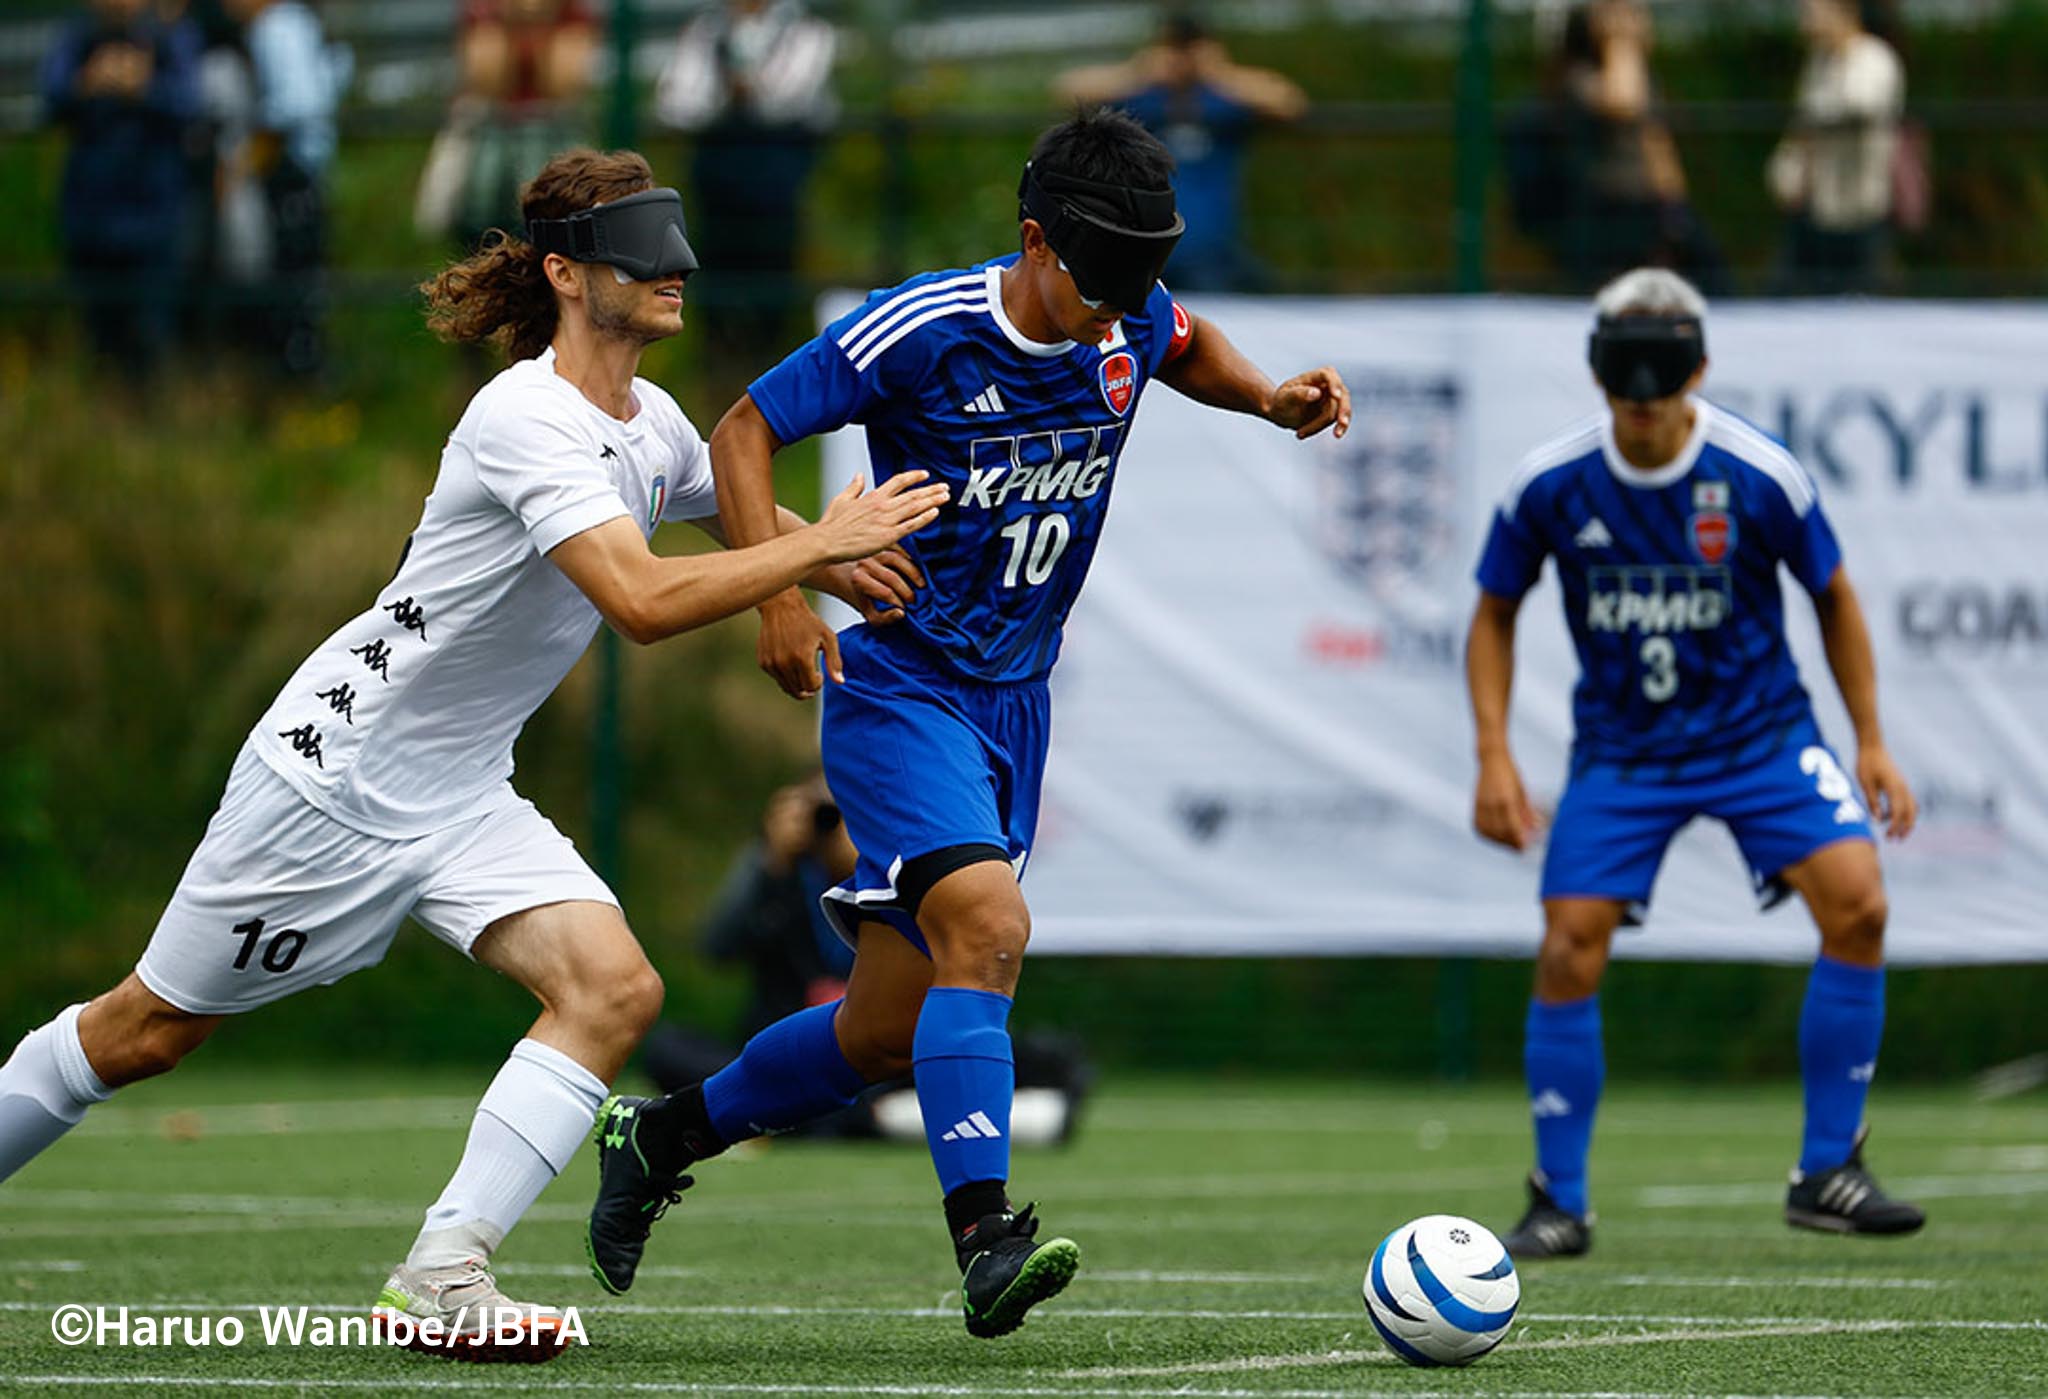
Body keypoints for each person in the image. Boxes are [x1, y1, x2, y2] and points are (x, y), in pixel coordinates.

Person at [0, 148, 945, 1362]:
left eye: (674, 249)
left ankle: (444, 1274)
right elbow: (645, 601)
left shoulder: (650, 422)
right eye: (639, 252)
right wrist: (818, 552)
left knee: (613, 990)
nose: (675, 273)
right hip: (331, 781)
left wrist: (856, 556)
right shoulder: (522, 417)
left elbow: (756, 531)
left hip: (459, 795)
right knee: (142, 1033)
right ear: (563, 273)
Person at [583, 106, 1350, 1338]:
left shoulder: (1127, 307)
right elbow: (740, 431)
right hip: (902, 690)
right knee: (988, 927)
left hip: (1015, 705)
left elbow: (1184, 341)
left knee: (885, 1028)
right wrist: (778, 597)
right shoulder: (925, 329)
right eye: (1099, 281)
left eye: (1136, 282)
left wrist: (1267, 401)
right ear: (1035, 238)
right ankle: (986, 1236)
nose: (1118, 310)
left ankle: (658, 1136)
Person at [1464, 267, 1925, 1259]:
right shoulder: (1550, 483)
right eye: (1624, 397)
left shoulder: (1757, 474)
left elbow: (1833, 596)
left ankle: (1826, 1167)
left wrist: (1871, 740)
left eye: (1660, 394)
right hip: (1625, 751)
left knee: (1858, 901)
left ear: (1697, 373)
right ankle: (1557, 1196)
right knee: (1565, 942)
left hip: (1759, 735)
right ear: (1599, 384)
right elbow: (1492, 611)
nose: (1641, 416)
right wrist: (1492, 754)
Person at [1053, 11, 1306, 292]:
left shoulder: (1223, 99)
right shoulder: (1142, 97)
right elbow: (1066, 90)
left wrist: (1218, 73)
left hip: (1212, 255)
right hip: (1142, 250)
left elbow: (1288, 102)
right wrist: (1139, 72)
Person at [654, 0, 838, 384]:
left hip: (776, 175)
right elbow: (676, 105)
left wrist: (736, 92)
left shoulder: (805, 30)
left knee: (774, 266)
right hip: (717, 176)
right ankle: (719, 362)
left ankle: (773, 367)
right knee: (712, 267)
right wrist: (735, 94)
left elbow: (789, 96)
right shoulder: (705, 32)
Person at [40, 0, 202, 377]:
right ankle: (106, 424)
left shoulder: (168, 37)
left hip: (153, 217)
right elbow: (50, 98)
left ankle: (156, 425)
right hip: (90, 215)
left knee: (152, 337)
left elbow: (192, 104)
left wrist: (143, 89)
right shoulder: (77, 37)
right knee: (99, 339)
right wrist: (88, 83)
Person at [1542, 1, 1724, 294]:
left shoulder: (1643, 74)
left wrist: (1676, 208)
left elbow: (1658, 145)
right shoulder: (1580, 77)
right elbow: (1625, 102)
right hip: (1611, 218)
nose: (1640, 19)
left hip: (1654, 212)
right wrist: (1621, 40)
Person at [1766, 0, 1906, 295]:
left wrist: (1818, 116)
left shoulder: (1874, 58)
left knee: (1867, 300)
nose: (1805, 22)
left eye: (1812, 12)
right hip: (1817, 209)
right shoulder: (1819, 62)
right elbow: (1800, 126)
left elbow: (1859, 106)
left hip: (1861, 209)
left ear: (1843, 12)